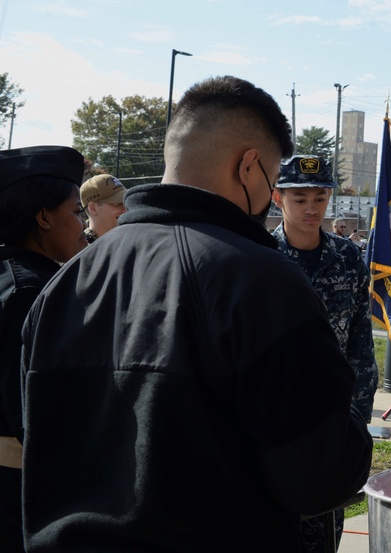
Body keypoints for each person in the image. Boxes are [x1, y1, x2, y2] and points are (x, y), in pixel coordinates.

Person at [20, 76, 373, 552]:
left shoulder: (64, 281)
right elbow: (318, 476)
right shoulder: (259, 279)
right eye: (272, 179)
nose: (271, 197)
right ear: (249, 165)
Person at [271, 154, 377, 552]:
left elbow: (360, 345)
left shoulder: (348, 257)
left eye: (320, 197)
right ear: (278, 199)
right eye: (300, 198)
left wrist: (354, 422)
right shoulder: (259, 255)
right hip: (273, 423)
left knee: (323, 533)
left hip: (331, 423)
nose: (312, 208)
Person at [0, 146, 87, 552]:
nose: (84, 227)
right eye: (77, 212)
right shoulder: (32, 291)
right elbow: (33, 417)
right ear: (44, 216)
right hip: (18, 493)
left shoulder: (13, 277)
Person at [79, 173, 126, 242]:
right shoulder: (81, 249)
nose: (125, 209)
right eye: (117, 203)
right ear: (93, 208)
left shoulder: (130, 240)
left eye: (125, 202)